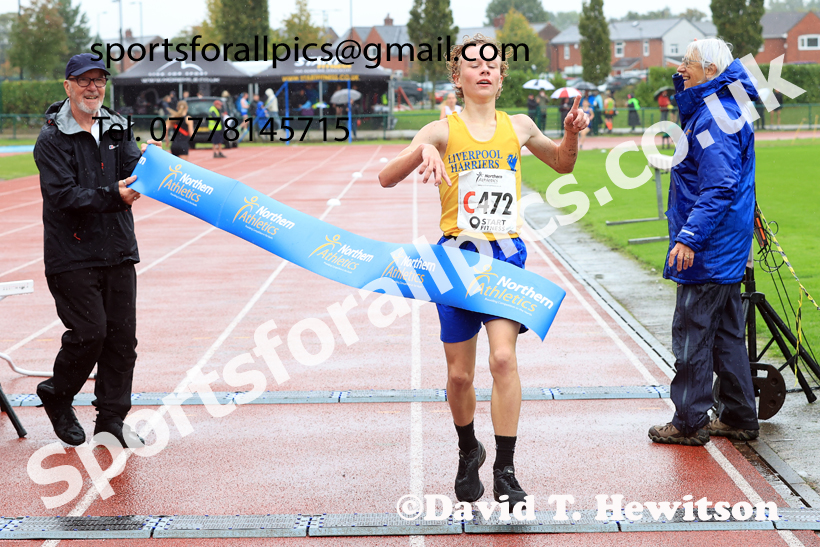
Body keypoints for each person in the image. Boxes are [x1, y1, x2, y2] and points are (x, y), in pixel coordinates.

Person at [378, 34, 588, 506]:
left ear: (501, 77)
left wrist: (572, 133)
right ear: (458, 77)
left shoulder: (519, 125)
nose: (484, 69)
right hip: (454, 260)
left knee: (503, 359)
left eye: (492, 63)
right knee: (459, 377)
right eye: (472, 64)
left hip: (505, 256)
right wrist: (422, 152)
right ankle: (468, 447)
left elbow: (562, 164)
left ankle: (506, 467)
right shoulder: (441, 129)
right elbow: (386, 176)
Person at [33, 53, 154, 449]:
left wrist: (152, 165)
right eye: (83, 80)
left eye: (99, 80)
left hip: (118, 249)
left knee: (122, 339)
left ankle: (112, 420)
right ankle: (58, 395)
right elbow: (64, 195)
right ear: (67, 86)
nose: (93, 87)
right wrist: (115, 194)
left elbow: (134, 167)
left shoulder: (118, 126)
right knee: (90, 333)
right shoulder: (51, 139)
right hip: (73, 254)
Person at [648, 38, 760, 446]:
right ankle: (739, 415)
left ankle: (689, 421)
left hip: (710, 249)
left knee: (693, 334)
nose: (679, 68)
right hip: (725, 246)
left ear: (711, 71)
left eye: (687, 62)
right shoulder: (721, 109)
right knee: (727, 334)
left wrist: (690, 237)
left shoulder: (715, 117)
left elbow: (719, 185)